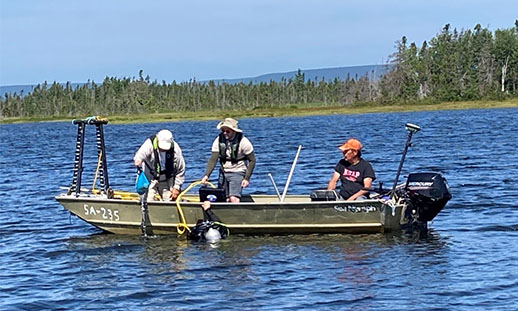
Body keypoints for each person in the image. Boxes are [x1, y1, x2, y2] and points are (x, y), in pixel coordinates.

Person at [201, 118, 256, 203]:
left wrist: (246, 178)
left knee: (233, 198)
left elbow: (252, 160)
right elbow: (213, 159)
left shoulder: (244, 142)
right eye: (223, 130)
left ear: (234, 131)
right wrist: (206, 175)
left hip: (238, 171)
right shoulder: (218, 140)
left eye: (228, 131)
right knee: (223, 198)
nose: (225, 133)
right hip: (224, 172)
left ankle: (237, 214)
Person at [133, 129, 185, 201]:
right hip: (150, 179)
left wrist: (176, 187)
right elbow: (141, 154)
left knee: (171, 200)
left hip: (167, 180)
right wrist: (138, 160)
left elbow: (180, 170)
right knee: (147, 200)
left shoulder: (176, 150)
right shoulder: (149, 144)